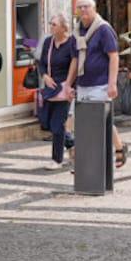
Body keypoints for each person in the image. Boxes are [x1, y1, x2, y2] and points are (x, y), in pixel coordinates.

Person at [69, 0, 125, 168]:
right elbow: (75, 59)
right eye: (80, 7)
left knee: (98, 122)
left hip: (101, 84)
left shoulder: (103, 29)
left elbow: (114, 56)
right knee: (80, 122)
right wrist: (68, 84)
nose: (83, 10)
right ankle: (118, 148)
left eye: (86, 6)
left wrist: (112, 83)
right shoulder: (77, 32)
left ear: (94, 8)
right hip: (83, 83)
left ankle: (88, 162)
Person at [37, 15, 77, 170]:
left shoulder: (71, 43)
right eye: (50, 23)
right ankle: (72, 144)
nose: (51, 27)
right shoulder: (48, 42)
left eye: (54, 24)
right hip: (50, 89)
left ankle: (57, 160)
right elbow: (41, 63)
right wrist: (45, 76)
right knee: (47, 123)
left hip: (64, 89)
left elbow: (76, 65)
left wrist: (71, 85)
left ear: (63, 27)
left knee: (57, 124)